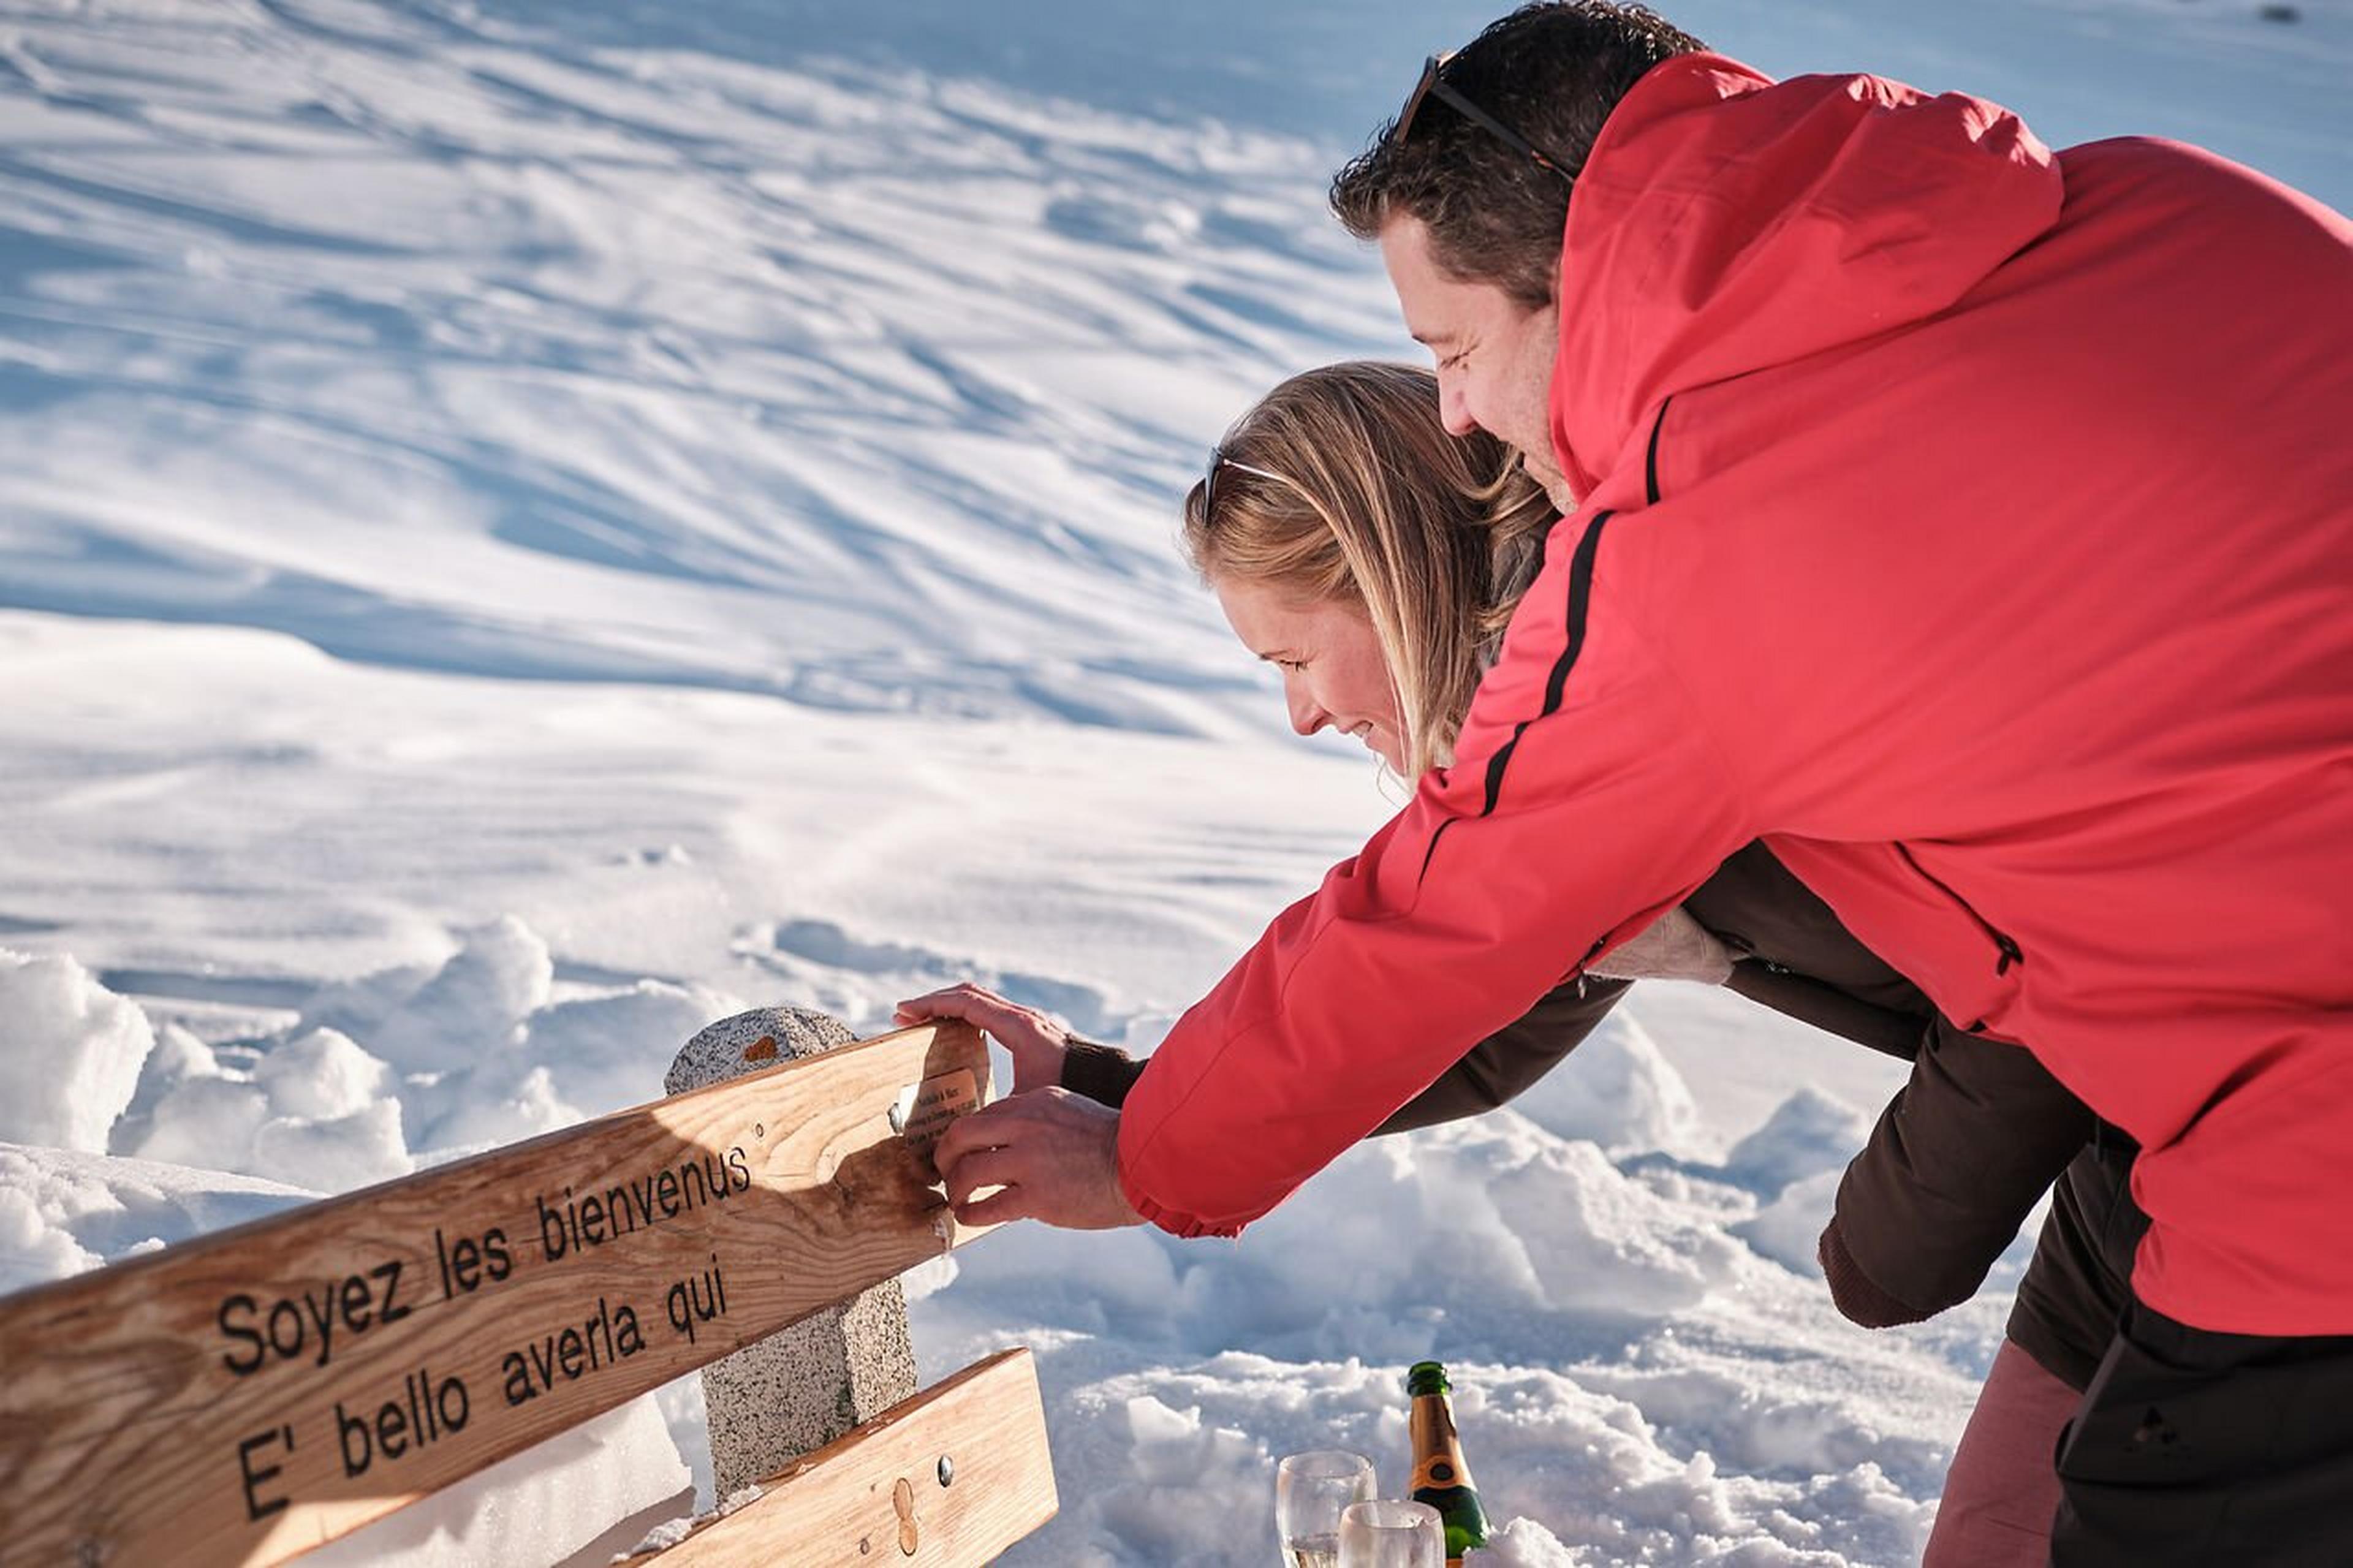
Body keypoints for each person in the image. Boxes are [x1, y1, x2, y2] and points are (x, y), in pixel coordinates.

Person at [931, 7, 2353, 1561]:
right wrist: (1125, 1088)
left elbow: (1435, 931)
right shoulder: (2155, 203)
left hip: (2287, 1118)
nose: (1458, 413)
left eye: (1456, 349)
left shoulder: (1705, 540)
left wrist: (1147, 1158)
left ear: (1579, 269)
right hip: (2184, 1088)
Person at [911, 361, 2132, 1562]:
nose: (1304, 716)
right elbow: (1458, 1023)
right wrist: (1113, 1089)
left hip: (2231, 1111)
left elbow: (2063, 949)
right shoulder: (1547, 748)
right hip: (2121, 1163)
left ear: (1389, 581)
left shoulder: (1626, 697)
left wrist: (1891, 1241)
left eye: (1294, 659)